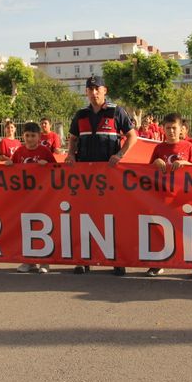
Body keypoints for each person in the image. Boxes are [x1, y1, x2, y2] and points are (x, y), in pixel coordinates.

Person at [66, 75, 137, 275]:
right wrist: (71, 154)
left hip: (110, 178)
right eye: (90, 89)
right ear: (86, 92)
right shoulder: (80, 114)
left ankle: (116, 260)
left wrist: (120, 154)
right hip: (85, 179)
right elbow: (73, 139)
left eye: (97, 88)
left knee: (112, 219)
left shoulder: (117, 111)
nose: (94, 92)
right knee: (85, 218)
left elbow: (133, 137)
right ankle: (83, 260)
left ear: (105, 90)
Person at [147, 113, 192, 280]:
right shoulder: (159, 149)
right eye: (168, 128)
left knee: (189, 231)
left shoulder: (188, 146)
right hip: (163, 195)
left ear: (181, 129)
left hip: (183, 197)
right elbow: (148, 170)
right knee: (160, 230)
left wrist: (185, 163)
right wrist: (155, 163)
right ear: (163, 129)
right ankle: (158, 264)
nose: (171, 131)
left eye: (174, 128)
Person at [5, 122, 57, 274]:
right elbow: (13, 168)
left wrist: (47, 164)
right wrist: (9, 164)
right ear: (23, 136)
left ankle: (45, 262)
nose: (30, 138)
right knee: (26, 228)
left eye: (33, 136)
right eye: (27, 135)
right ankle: (28, 261)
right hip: (24, 197)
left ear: (39, 137)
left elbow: (56, 170)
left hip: (42, 197)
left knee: (43, 228)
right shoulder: (19, 152)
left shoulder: (45, 151)